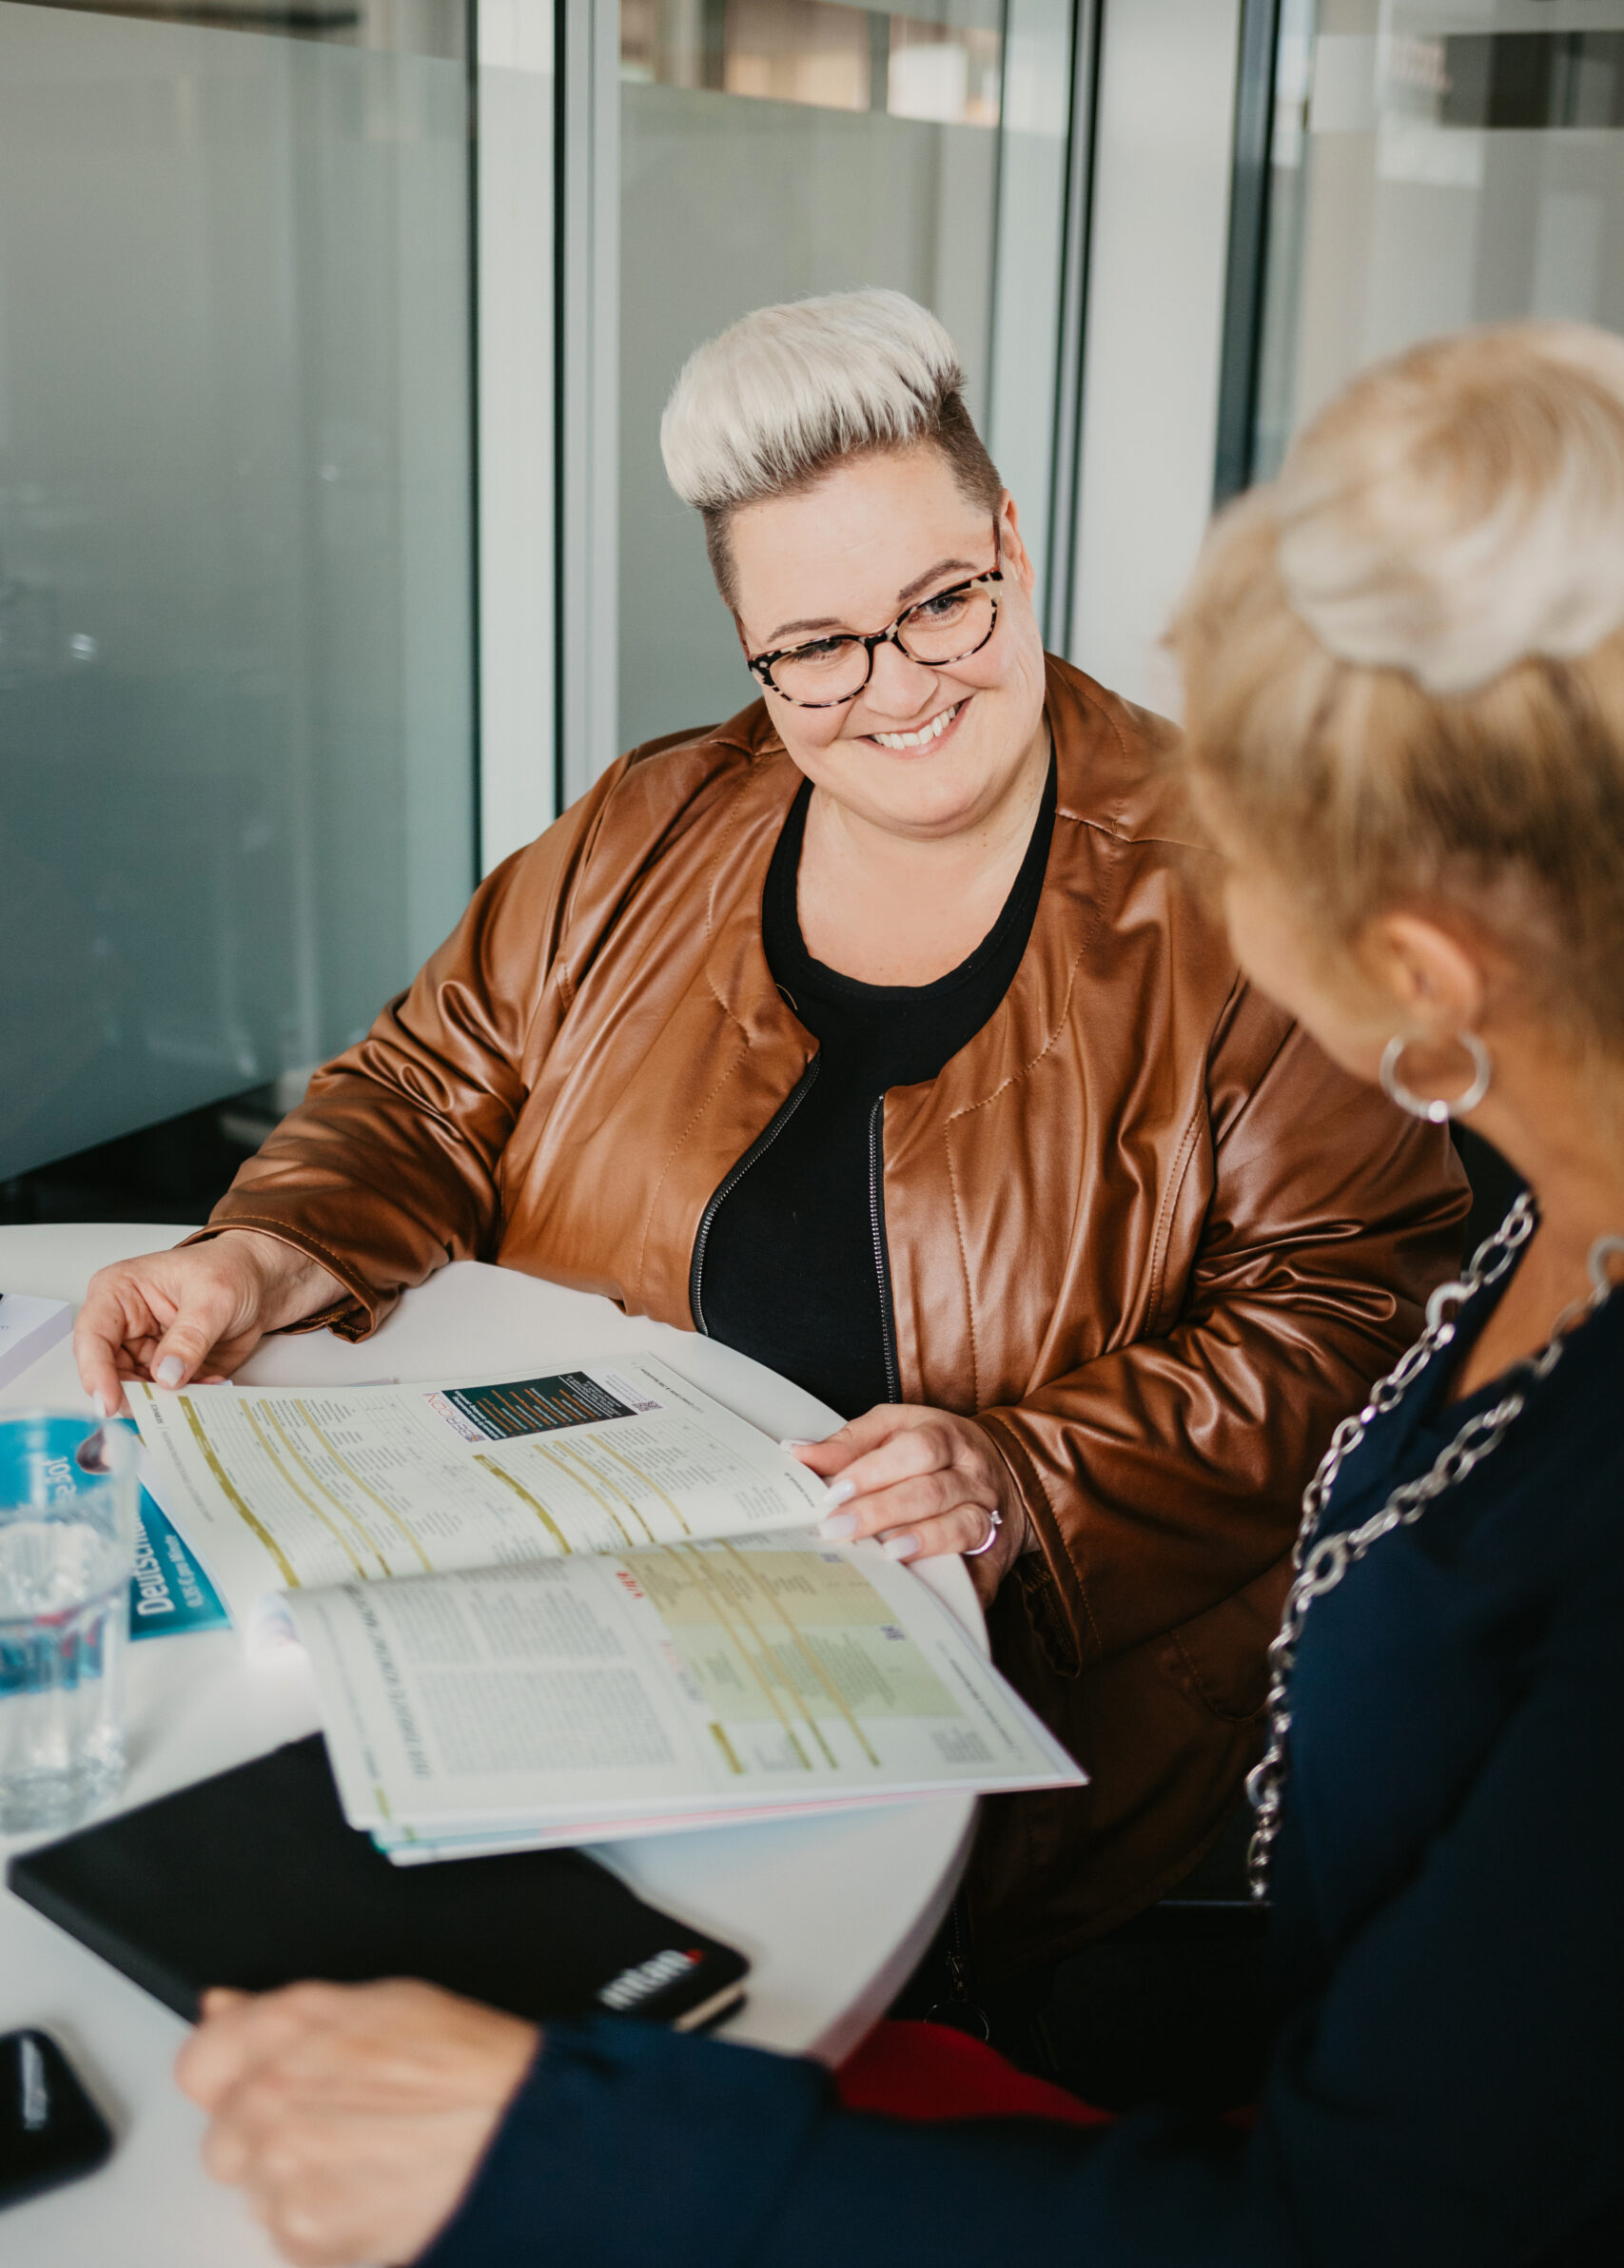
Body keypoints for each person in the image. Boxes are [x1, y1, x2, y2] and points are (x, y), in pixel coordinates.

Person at [174, 321, 1624, 2265]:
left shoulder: (1234, 885)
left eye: (940, 602)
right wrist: (279, 1237)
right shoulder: (646, 827)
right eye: (816, 647)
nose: (895, 687)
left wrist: (1029, 1465)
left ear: (1011, 543)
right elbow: (425, 1079)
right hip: (590, 1658)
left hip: (995, 1775)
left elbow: (1351, 1308)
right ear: (754, 651)